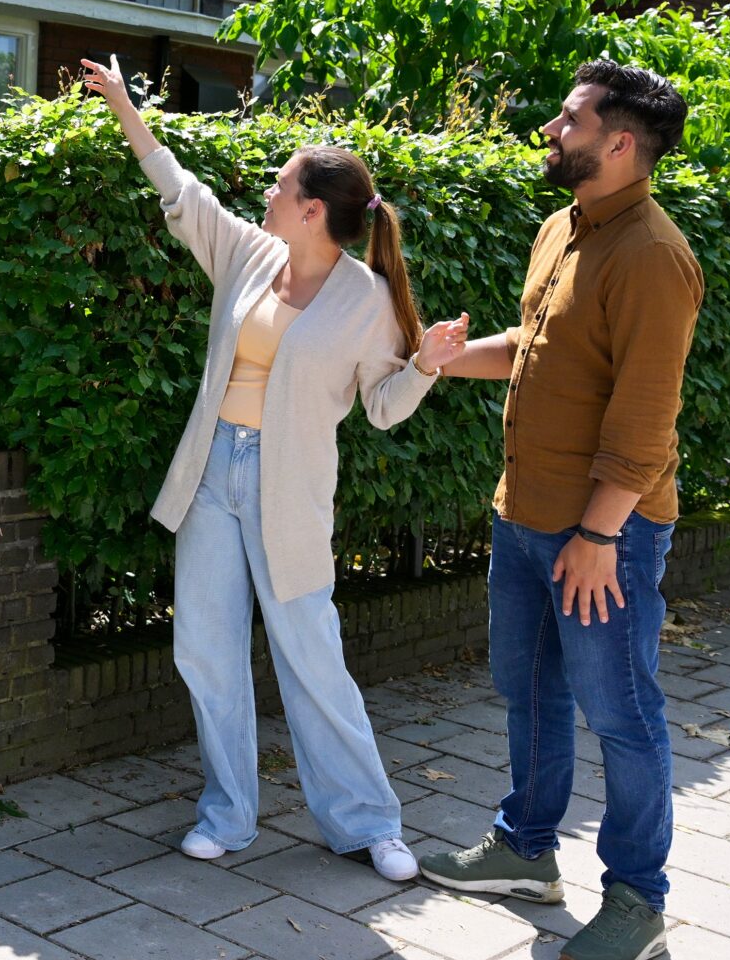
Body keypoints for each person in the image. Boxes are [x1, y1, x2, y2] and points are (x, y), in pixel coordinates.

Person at [80, 56, 470, 881]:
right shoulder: (251, 256)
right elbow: (181, 192)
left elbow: (382, 407)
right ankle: (228, 814)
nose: (266, 190)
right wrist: (124, 106)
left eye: (280, 183)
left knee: (311, 656)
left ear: (313, 209)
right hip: (213, 470)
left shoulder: (367, 299)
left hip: (289, 493)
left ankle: (368, 822)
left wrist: (426, 366)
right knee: (205, 648)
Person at [416, 59, 701, 960]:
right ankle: (526, 848)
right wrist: (443, 361)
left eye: (569, 118)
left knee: (622, 710)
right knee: (528, 685)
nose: (551, 128)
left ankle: (638, 897)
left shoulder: (653, 257)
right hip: (527, 517)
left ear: (620, 144)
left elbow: (646, 417)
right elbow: (536, 352)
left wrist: (600, 536)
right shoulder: (562, 230)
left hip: (601, 537)